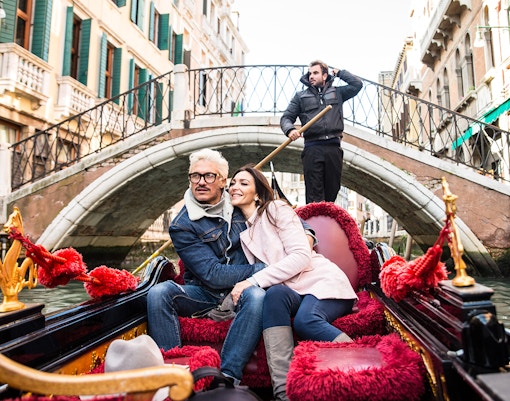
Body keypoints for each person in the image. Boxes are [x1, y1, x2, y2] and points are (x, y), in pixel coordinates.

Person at [146, 148, 314, 385]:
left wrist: (308, 236)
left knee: (255, 295)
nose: (201, 182)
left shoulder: (239, 198)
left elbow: (289, 216)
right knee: (158, 293)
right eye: (195, 176)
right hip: (206, 292)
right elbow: (212, 275)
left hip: (247, 290)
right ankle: (173, 374)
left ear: (223, 181)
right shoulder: (181, 225)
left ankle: (228, 377)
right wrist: (262, 269)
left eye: (209, 176)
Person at [228, 164, 358, 401]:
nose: (235, 186)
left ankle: (360, 363)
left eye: (243, 183)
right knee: (274, 295)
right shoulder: (245, 230)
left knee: (305, 321)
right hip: (292, 289)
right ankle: (283, 393)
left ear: (258, 193)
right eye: (233, 183)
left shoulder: (277, 209)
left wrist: (252, 281)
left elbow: (300, 256)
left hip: (322, 283)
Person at [281, 60, 363, 204]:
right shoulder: (300, 97)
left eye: (315, 73)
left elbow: (357, 85)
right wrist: (290, 130)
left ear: (325, 76)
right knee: (314, 194)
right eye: (310, 73)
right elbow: (286, 118)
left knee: (332, 190)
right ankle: (314, 225)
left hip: (333, 148)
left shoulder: (337, 93)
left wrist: (340, 73)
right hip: (313, 149)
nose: (311, 76)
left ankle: (327, 223)